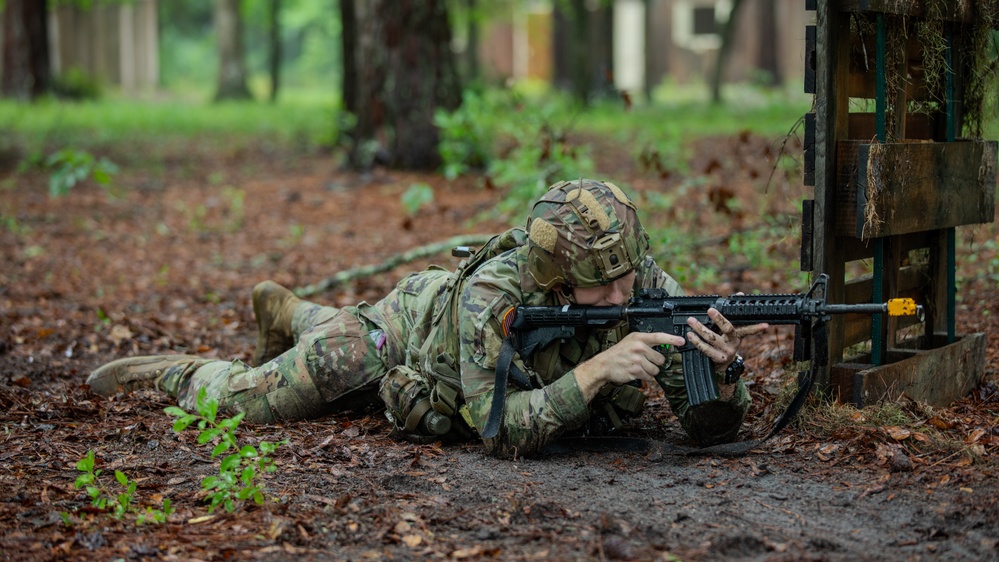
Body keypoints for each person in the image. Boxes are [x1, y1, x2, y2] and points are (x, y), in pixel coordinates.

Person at [88, 179, 767, 458]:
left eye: (627, 276)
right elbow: (495, 429)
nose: (623, 297)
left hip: (433, 337)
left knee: (316, 336)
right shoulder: (492, 298)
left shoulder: (641, 284)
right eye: (602, 286)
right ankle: (175, 372)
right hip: (399, 335)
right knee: (259, 403)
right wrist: (592, 374)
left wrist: (721, 370)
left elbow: (704, 427)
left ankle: (291, 310)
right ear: (558, 278)